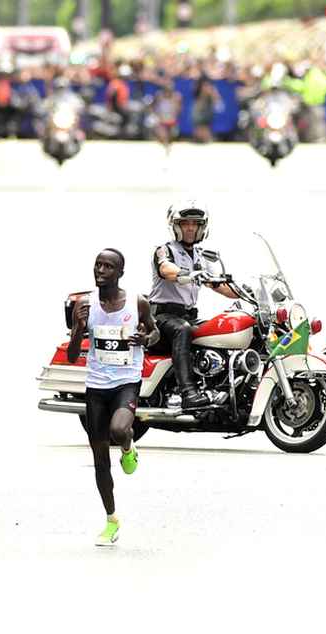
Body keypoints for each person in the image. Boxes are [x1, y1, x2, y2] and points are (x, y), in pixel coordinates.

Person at [68, 248, 158, 546]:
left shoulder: (137, 303)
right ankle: (111, 520)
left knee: (119, 430)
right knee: (100, 462)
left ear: (120, 273)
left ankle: (129, 446)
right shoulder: (84, 305)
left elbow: (155, 333)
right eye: (97, 265)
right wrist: (78, 328)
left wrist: (145, 338)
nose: (101, 270)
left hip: (125, 383)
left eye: (108, 267)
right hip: (96, 387)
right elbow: (71, 356)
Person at [148, 200, 238, 409]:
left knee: (218, 329)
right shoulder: (164, 250)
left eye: (195, 224)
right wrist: (187, 274)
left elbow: (220, 285)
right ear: (175, 226)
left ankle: (220, 388)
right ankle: (188, 392)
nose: (190, 228)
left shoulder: (201, 256)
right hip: (162, 318)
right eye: (185, 223)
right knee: (183, 330)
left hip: (188, 315)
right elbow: (166, 270)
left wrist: (248, 292)